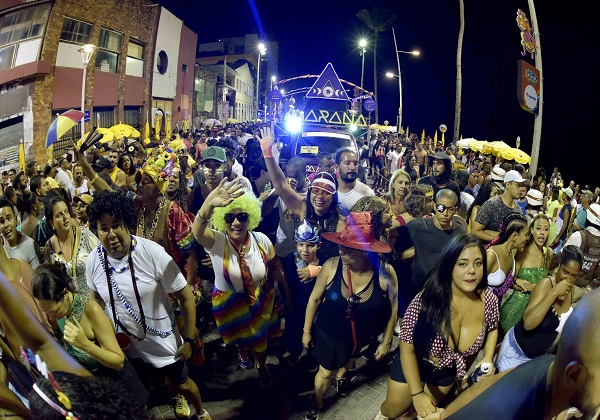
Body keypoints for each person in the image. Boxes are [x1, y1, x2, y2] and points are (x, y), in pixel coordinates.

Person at [86, 190, 210, 419]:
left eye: (117, 225)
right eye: (104, 228)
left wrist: (190, 340)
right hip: (126, 349)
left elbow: (185, 296)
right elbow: (95, 301)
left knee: (183, 384)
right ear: (97, 231)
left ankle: (201, 412)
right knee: (152, 389)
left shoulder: (152, 253)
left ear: (128, 225)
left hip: (163, 344)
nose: (111, 234)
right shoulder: (93, 260)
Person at [376, 234, 498, 420]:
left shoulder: (488, 300)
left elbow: (492, 327)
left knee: (415, 415)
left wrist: (488, 357)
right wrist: (416, 394)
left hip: (445, 372)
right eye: (462, 264)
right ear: (450, 267)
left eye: (478, 263)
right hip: (415, 360)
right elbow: (406, 345)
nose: (472, 271)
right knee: (393, 410)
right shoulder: (427, 299)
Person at [436, 289, 600, 420]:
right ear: (574, 375)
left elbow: (484, 387)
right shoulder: (517, 412)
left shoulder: (548, 363)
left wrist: (444, 415)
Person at [302, 212, 398, 420]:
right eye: (342, 244)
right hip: (330, 334)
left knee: (350, 361)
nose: (341, 250)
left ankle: (343, 375)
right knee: (325, 372)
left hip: (362, 335)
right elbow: (314, 300)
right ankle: (317, 401)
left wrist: (387, 340)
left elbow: (394, 309)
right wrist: (306, 331)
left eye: (349, 247)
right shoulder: (331, 266)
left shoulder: (385, 273)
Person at [192, 181, 282, 387]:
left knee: (259, 341)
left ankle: (261, 365)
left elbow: (274, 262)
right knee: (237, 335)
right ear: (222, 220)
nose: (236, 223)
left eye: (242, 216)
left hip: (258, 300)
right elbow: (197, 232)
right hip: (228, 304)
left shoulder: (261, 239)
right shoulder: (218, 242)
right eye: (229, 217)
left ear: (250, 217)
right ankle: (242, 349)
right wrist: (208, 205)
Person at [259, 126, 345, 261]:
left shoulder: (340, 221)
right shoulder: (304, 208)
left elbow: (345, 256)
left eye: (326, 192)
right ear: (310, 192)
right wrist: (268, 153)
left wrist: (318, 270)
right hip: (295, 263)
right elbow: (280, 184)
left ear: (333, 197)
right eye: (316, 191)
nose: (320, 197)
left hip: (325, 272)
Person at [495, 245, 582, 372]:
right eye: (566, 272)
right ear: (559, 267)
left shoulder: (571, 289)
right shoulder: (546, 285)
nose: (568, 279)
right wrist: (554, 293)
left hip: (534, 361)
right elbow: (528, 323)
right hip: (515, 355)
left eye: (574, 276)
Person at [500, 213, 552, 333]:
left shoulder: (548, 253)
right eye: (538, 228)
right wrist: (526, 286)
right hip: (515, 308)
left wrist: (537, 289)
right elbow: (511, 282)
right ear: (532, 231)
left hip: (535, 309)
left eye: (546, 229)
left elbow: (546, 281)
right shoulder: (523, 251)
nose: (542, 233)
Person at [281, 219, 323, 365]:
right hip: (296, 305)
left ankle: (312, 355)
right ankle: (295, 350)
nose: (305, 250)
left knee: (314, 332)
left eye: (310, 245)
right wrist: (288, 299)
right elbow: (285, 282)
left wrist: (318, 270)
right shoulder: (289, 259)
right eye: (301, 244)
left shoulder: (324, 261)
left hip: (316, 309)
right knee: (294, 329)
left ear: (319, 245)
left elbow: (334, 272)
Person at [42, 195, 99, 297]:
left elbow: (104, 262)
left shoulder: (85, 234)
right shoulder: (49, 247)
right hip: (72, 309)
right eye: (59, 215)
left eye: (66, 212)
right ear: (51, 222)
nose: (65, 217)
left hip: (97, 302)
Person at [471, 170, 525, 244]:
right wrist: (499, 240)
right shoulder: (492, 204)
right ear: (508, 185)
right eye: (518, 185)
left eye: (522, 186)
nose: (521, 189)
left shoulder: (518, 210)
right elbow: (475, 231)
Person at [484, 213, 529, 300]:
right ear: (515, 236)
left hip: (495, 310)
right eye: (526, 235)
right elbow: (476, 286)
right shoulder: (491, 254)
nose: (527, 239)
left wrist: (517, 281)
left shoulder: (511, 256)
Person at [0, 196, 42, 269]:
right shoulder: (1, 247)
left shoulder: (30, 246)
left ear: (16, 219)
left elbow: (38, 279)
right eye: (1, 221)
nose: (6, 225)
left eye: (9, 218)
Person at [335, 148, 375, 215]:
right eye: (347, 163)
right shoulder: (329, 191)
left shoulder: (368, 194)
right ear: (337, 167)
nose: (352, 167)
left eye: (355, 164)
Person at [550, 186, 574, 254]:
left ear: (566, 196)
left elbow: (565, 225)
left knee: (553, 256)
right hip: (557, 234)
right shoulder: (565, 206)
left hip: (560, 237)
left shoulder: (566, 209)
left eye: (563, 193)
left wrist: (558, 237)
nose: (562, 194)